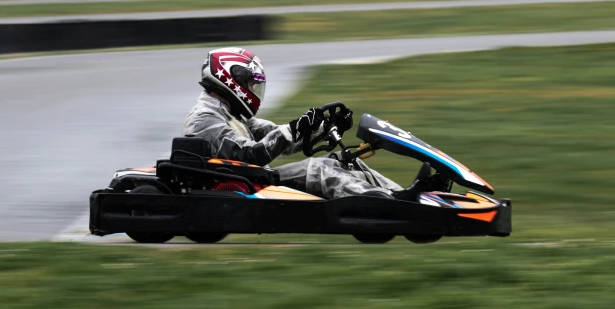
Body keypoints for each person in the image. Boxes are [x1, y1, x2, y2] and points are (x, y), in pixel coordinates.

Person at [181, 47, 437, 200]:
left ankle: (403, 196)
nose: (253, 89)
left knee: (347, 162)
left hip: (256, 179)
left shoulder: (232, 113)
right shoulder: (205, 118)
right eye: (250, 83)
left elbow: (275, 138)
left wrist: (322, 127)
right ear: (230, 78)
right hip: (247, 186)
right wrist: (292, 129)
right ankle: (388, 205)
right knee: (319, 169)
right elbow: (250, 154)